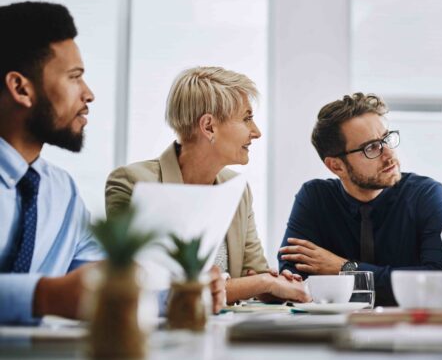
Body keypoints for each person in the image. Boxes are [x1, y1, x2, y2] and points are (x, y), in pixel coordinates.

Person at [0, 1, 221, 323]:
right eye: (74, 77)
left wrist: (178, 293)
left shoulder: (60, 191)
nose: (88, 94)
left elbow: (100, 280)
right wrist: (45, 295)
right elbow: (59, 292)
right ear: (21, 88)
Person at [105, 67, 309, 304]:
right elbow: (146, 286)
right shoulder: (133, 183)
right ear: (209, 126)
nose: (256, 132)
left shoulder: (237, 189)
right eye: (247, 118)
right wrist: (261, 283)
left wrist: (274, 285)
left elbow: (254, 272)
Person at [278, 93, 442, 306]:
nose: (389, 154)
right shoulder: (315, 197)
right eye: (371, 147)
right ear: (336, 166)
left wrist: (344, 268)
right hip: (333, 333)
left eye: (386, 139)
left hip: (410, 332)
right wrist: (395, 283)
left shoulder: (425, 194)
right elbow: (294, 282)